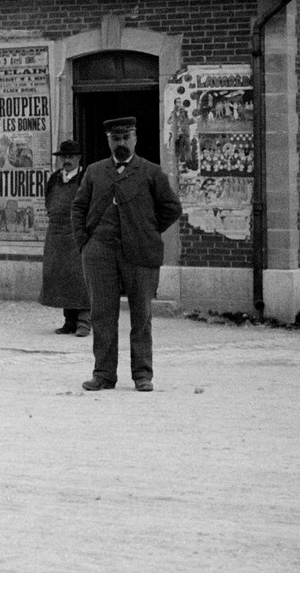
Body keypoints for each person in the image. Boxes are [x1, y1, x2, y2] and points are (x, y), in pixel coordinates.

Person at [70, 116, 183, 393]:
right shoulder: (95, 172)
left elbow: (171, 208)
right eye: (115, 138)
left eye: (126, 137)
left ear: (135, 138)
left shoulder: (152, 172)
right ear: (108, 140)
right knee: (102, 315)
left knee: (141, 316)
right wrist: (85, 243)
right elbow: (78, 208)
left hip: (141, 254)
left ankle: (142, 375)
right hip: (100, 254)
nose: (121, 143)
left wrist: (147, 230)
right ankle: (104, 375)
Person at [40, 139, 90, 337]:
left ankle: (84, 322)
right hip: (56, 235)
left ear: (78, 158)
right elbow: (48, 202)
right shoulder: (54, 179)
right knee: (61, 277)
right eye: (63, 157)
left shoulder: (86, 177)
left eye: (70, 157)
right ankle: (69, 321)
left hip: (77, 235)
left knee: (81, 278)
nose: (66, 161)